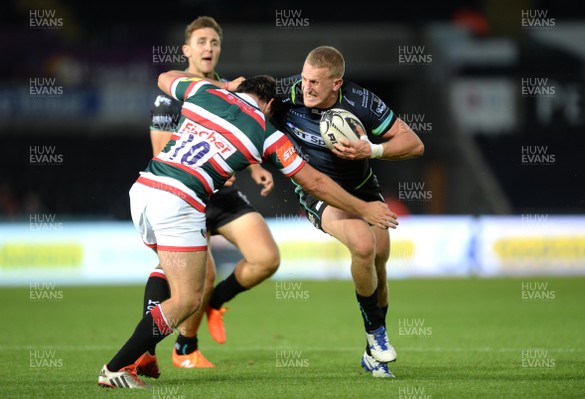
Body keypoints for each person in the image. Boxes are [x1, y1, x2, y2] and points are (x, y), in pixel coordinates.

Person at [97, 73, 398, 389]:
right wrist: (364, 208)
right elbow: (315, 182)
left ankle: (145, 352)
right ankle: (117, 367)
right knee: (188, 299)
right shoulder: (266, 132)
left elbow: (163, 78)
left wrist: (223, 87)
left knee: (169, 270)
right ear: (269, 104)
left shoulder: (204, 92)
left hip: (144, 189)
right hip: (179, 201)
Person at [135, 16, 279, 375]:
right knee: (198, 277)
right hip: (185, 195)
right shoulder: (173, 95)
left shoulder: (231, 90)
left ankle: (216, 304)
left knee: (266, 258)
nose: (208, 48)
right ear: (187, 50)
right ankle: (174, 349)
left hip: (222, 194)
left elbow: (237, 136)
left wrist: (254, 168)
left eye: (214, 42)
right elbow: (162, 153)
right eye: (201, 42)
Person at [273, 46, 424, 378]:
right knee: (363, 245)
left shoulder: (361, 102)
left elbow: (414, 143)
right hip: (318, 192)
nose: (307, 87)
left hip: (363, 188)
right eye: (304, 79)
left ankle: (373, 353)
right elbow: (244, 105)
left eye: (315, 82)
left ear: (336, 83)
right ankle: (376, 336)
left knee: (379, 262)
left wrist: (373, 148)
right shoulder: (284, 93)